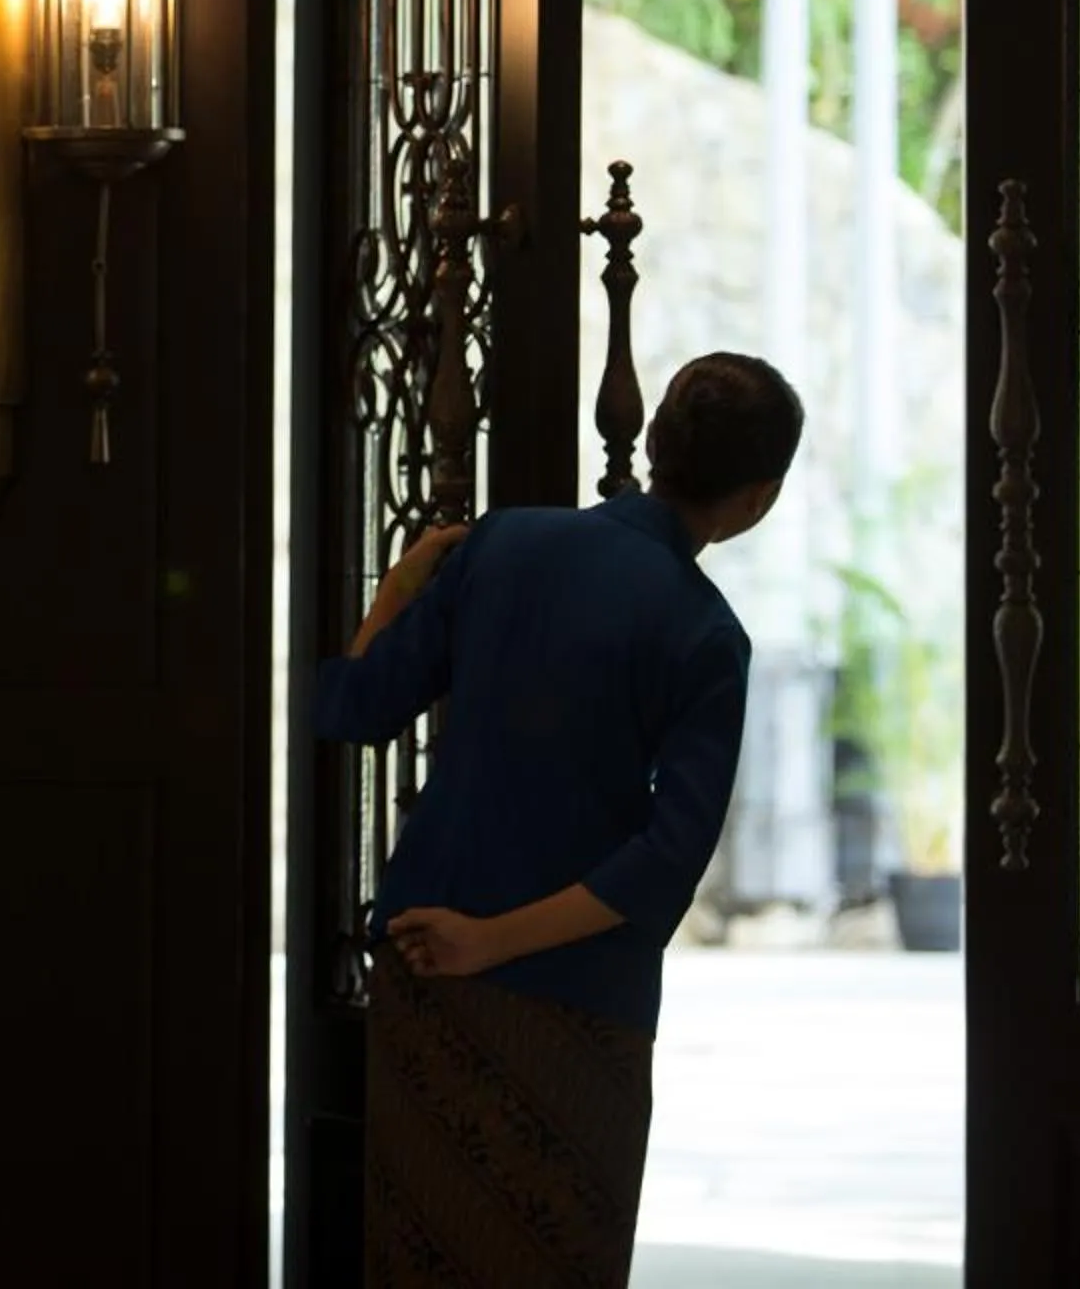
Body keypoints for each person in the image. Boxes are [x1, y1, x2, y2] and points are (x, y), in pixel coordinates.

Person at [310, 350, 804, 1289]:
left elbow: (353, 707)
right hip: (578, 1006)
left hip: (424, 967)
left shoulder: (503, 545)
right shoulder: (705, 634)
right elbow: (664, 862)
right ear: (758, 498)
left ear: (655, 442)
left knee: (422, 1253)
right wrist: (492, 942)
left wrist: (395, 591)